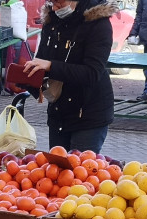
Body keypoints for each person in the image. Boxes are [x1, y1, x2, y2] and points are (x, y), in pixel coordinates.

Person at [22, 0, 117, 154]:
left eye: (59, 3)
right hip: (59, 113)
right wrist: (29, 79)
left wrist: (51, 66)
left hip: (88, 114)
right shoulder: (51, 20)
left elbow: (92, 73)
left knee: (79, 172)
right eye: (52, 3)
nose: (55, 8)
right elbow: (42, 61)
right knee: (56, 171)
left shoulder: (98, 24)